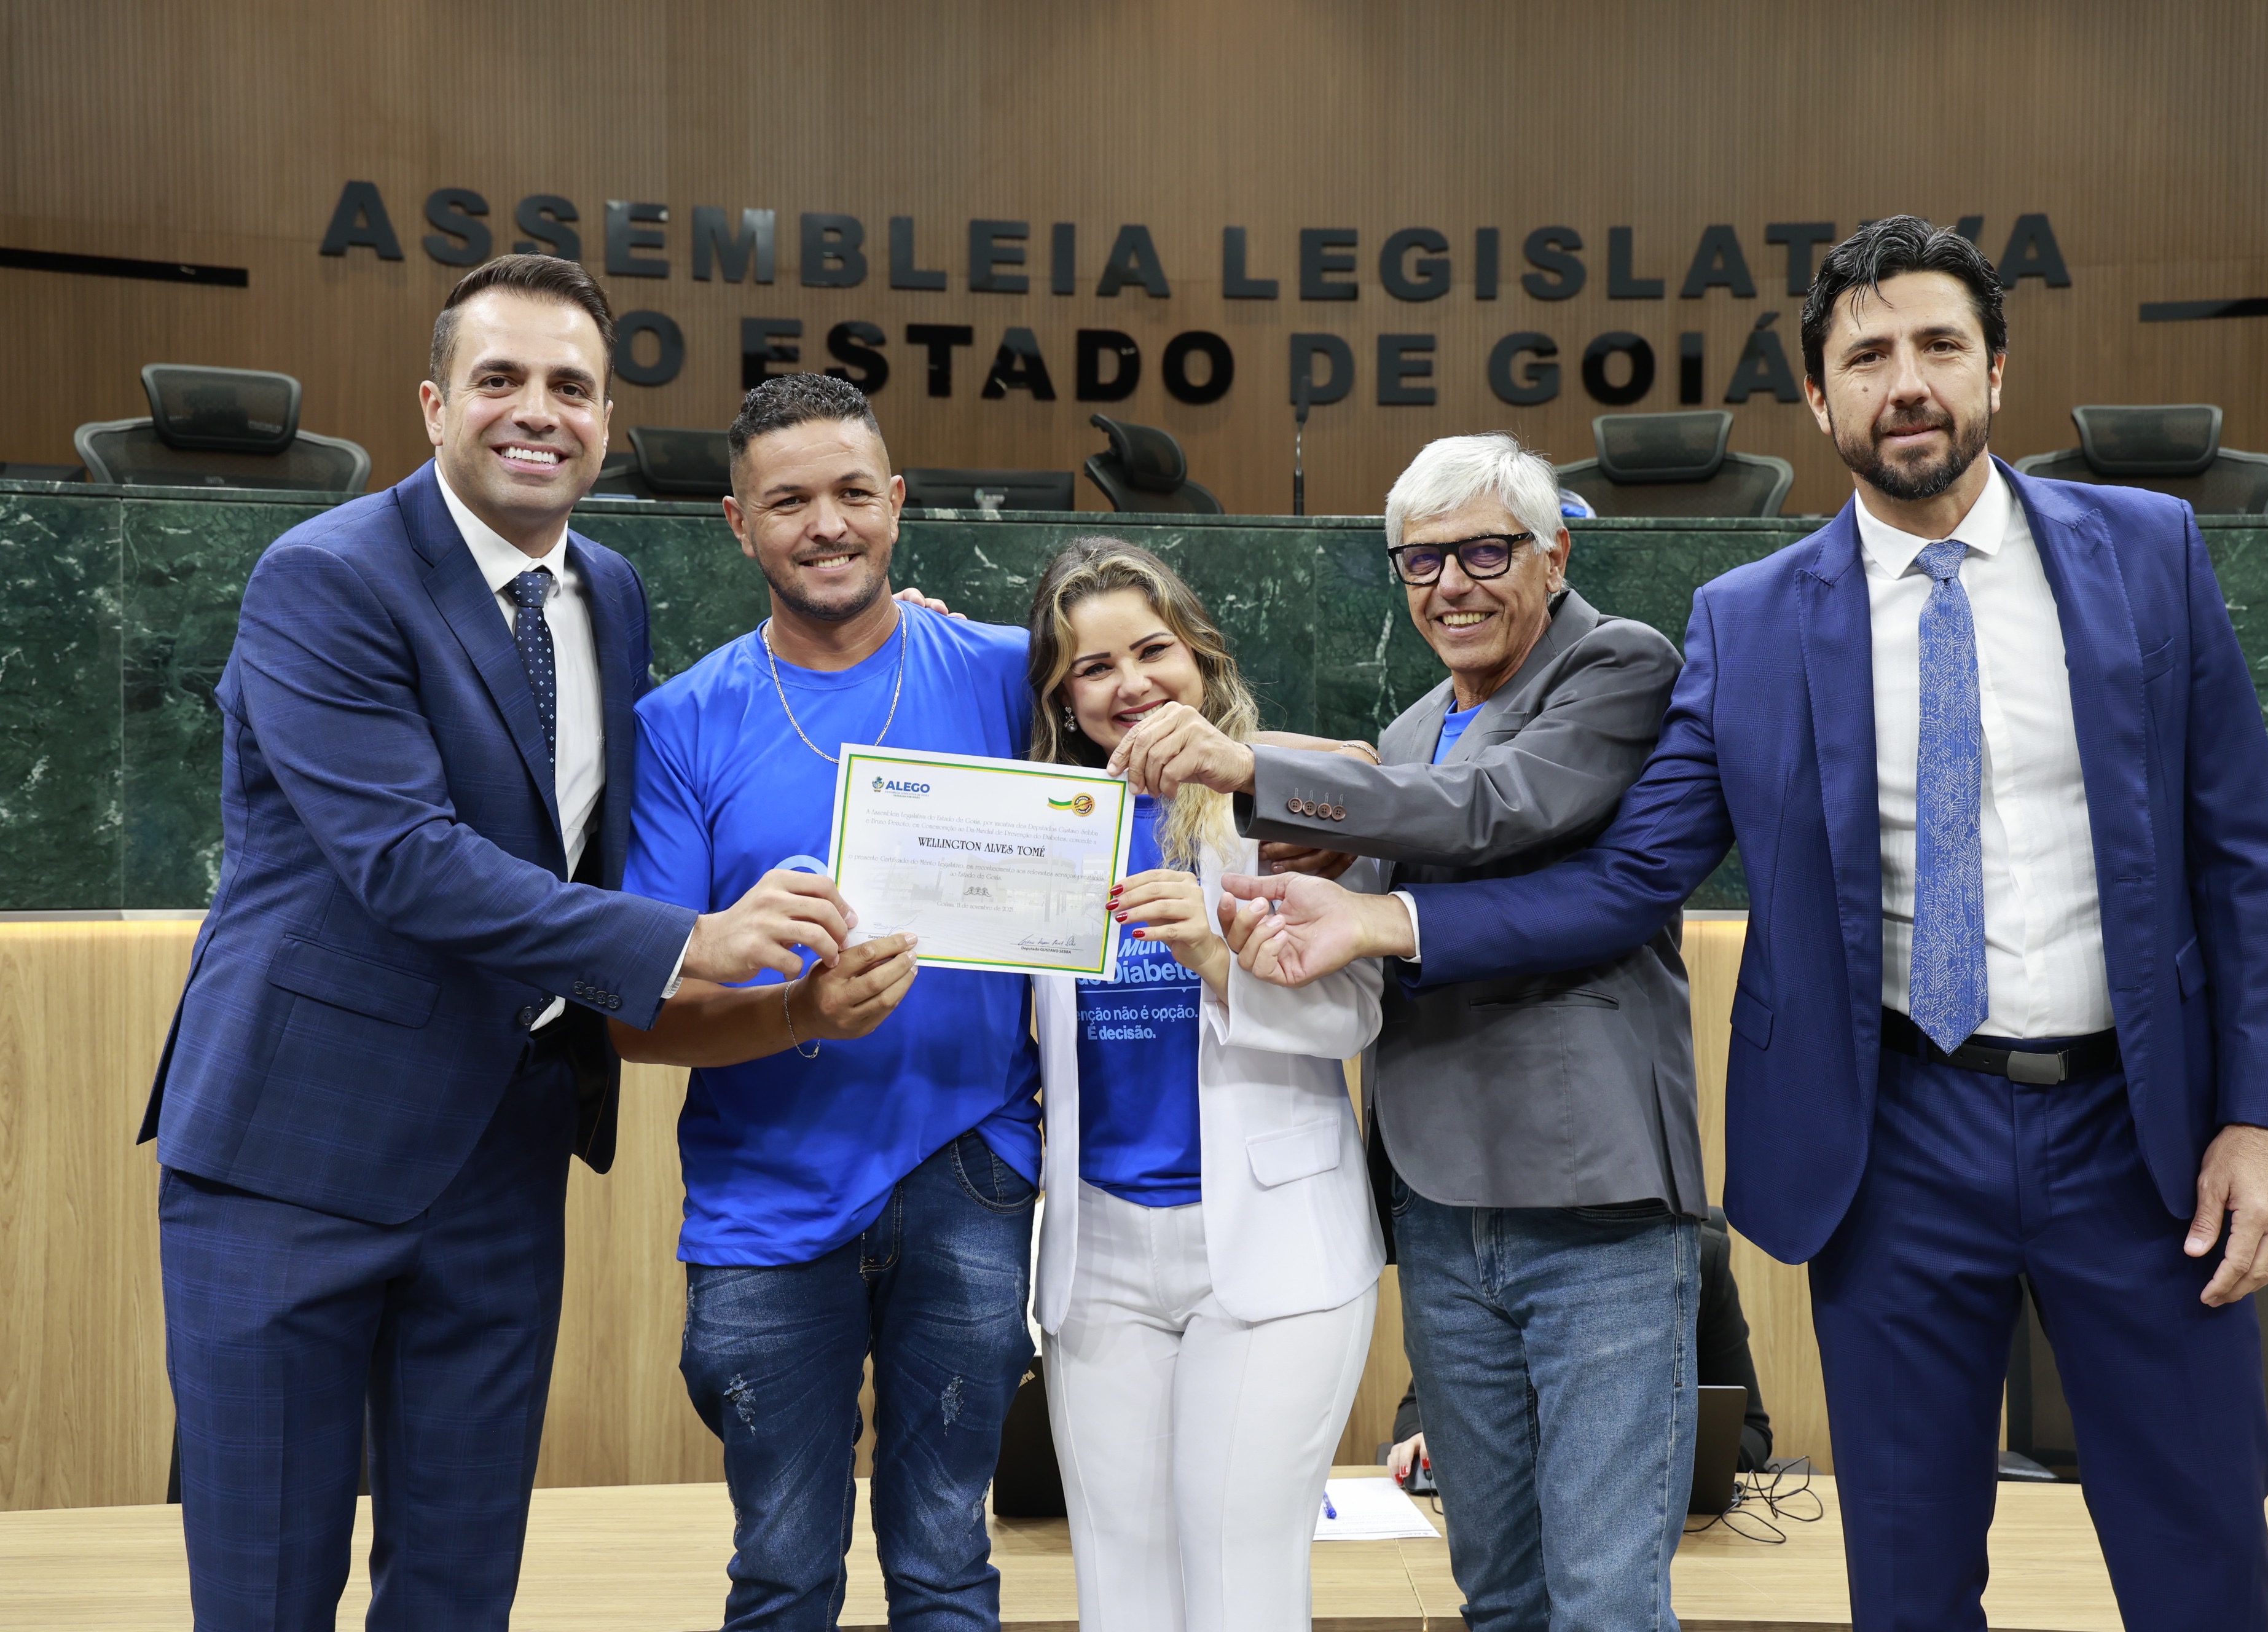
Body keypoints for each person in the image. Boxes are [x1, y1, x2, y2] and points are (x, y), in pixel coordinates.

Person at [1223, 218, 2268, 1632]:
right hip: (1895, 1138)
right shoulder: (1748, 621)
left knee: (2201, 1564)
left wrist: (2261, 1118)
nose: (1904, 382)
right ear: (1818, 396)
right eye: (1867, 357)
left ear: (1995, 369)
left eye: (1937, 346)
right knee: (1908, 1582)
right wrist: (1388, 923)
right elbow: (1627, 882)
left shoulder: (2147, 551)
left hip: (2143, 1133)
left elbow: (2244, 855)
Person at [143, 254, 858, 1631]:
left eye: (571, 386)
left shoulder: (613, 590)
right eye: (501, 379)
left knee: (461, 1592)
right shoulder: (324, 577)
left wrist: (889, 637)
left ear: (606, 419)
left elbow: (605, 809)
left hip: (503, 1154)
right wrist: (688, 943)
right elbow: (407, 862)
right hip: (297, 1154)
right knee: (266, 1593)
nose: (539, 411)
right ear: (434, 404)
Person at [1106, 432, 1700, 1632]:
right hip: (1435, 1202)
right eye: (1421, 561)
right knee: (1498, 1590)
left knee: (1604, 1600)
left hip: (1591, 1204)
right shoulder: (1416, 723)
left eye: (1484, 552)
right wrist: (1259, 925)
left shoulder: (1618, 662)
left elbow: (1498, 807)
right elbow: (1362, 912)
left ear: (1553, 555)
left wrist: (1254, 766)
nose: (1450, 585)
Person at [611, 372, 1051, 1631]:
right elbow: (633, 1018)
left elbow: (1191, 730)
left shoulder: (1014, 673)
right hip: (766, 1200)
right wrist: (798, 1013)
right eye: (788, 500)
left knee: (949, 1564)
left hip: (970, 1168)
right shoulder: (680, 724)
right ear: (737, 523)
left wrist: (1339, 793)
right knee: (782, 1570)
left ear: (897, 503)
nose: (827, 525)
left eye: (854, 492)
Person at [1021, 538, 1386, 1632]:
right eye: (1093, 667)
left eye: (1152, 651)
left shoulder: (1283, 807)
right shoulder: (1042, 822)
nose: (1129, 683)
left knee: (1240, 1595)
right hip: (1096, 1260)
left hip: (1274, 1256)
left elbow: (1353, 1016)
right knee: (1121, 1599)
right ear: (1062, 697)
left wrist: (1216, 957)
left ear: (1201, 658)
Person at [1387, 1207, 1774, 1485]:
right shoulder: (1488, 1261)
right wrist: (1426, 1439)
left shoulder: (1698, 1263)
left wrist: (1658, 1452)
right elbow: (1416, 1408)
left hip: (1671, 1526)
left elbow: (1751, 1431)